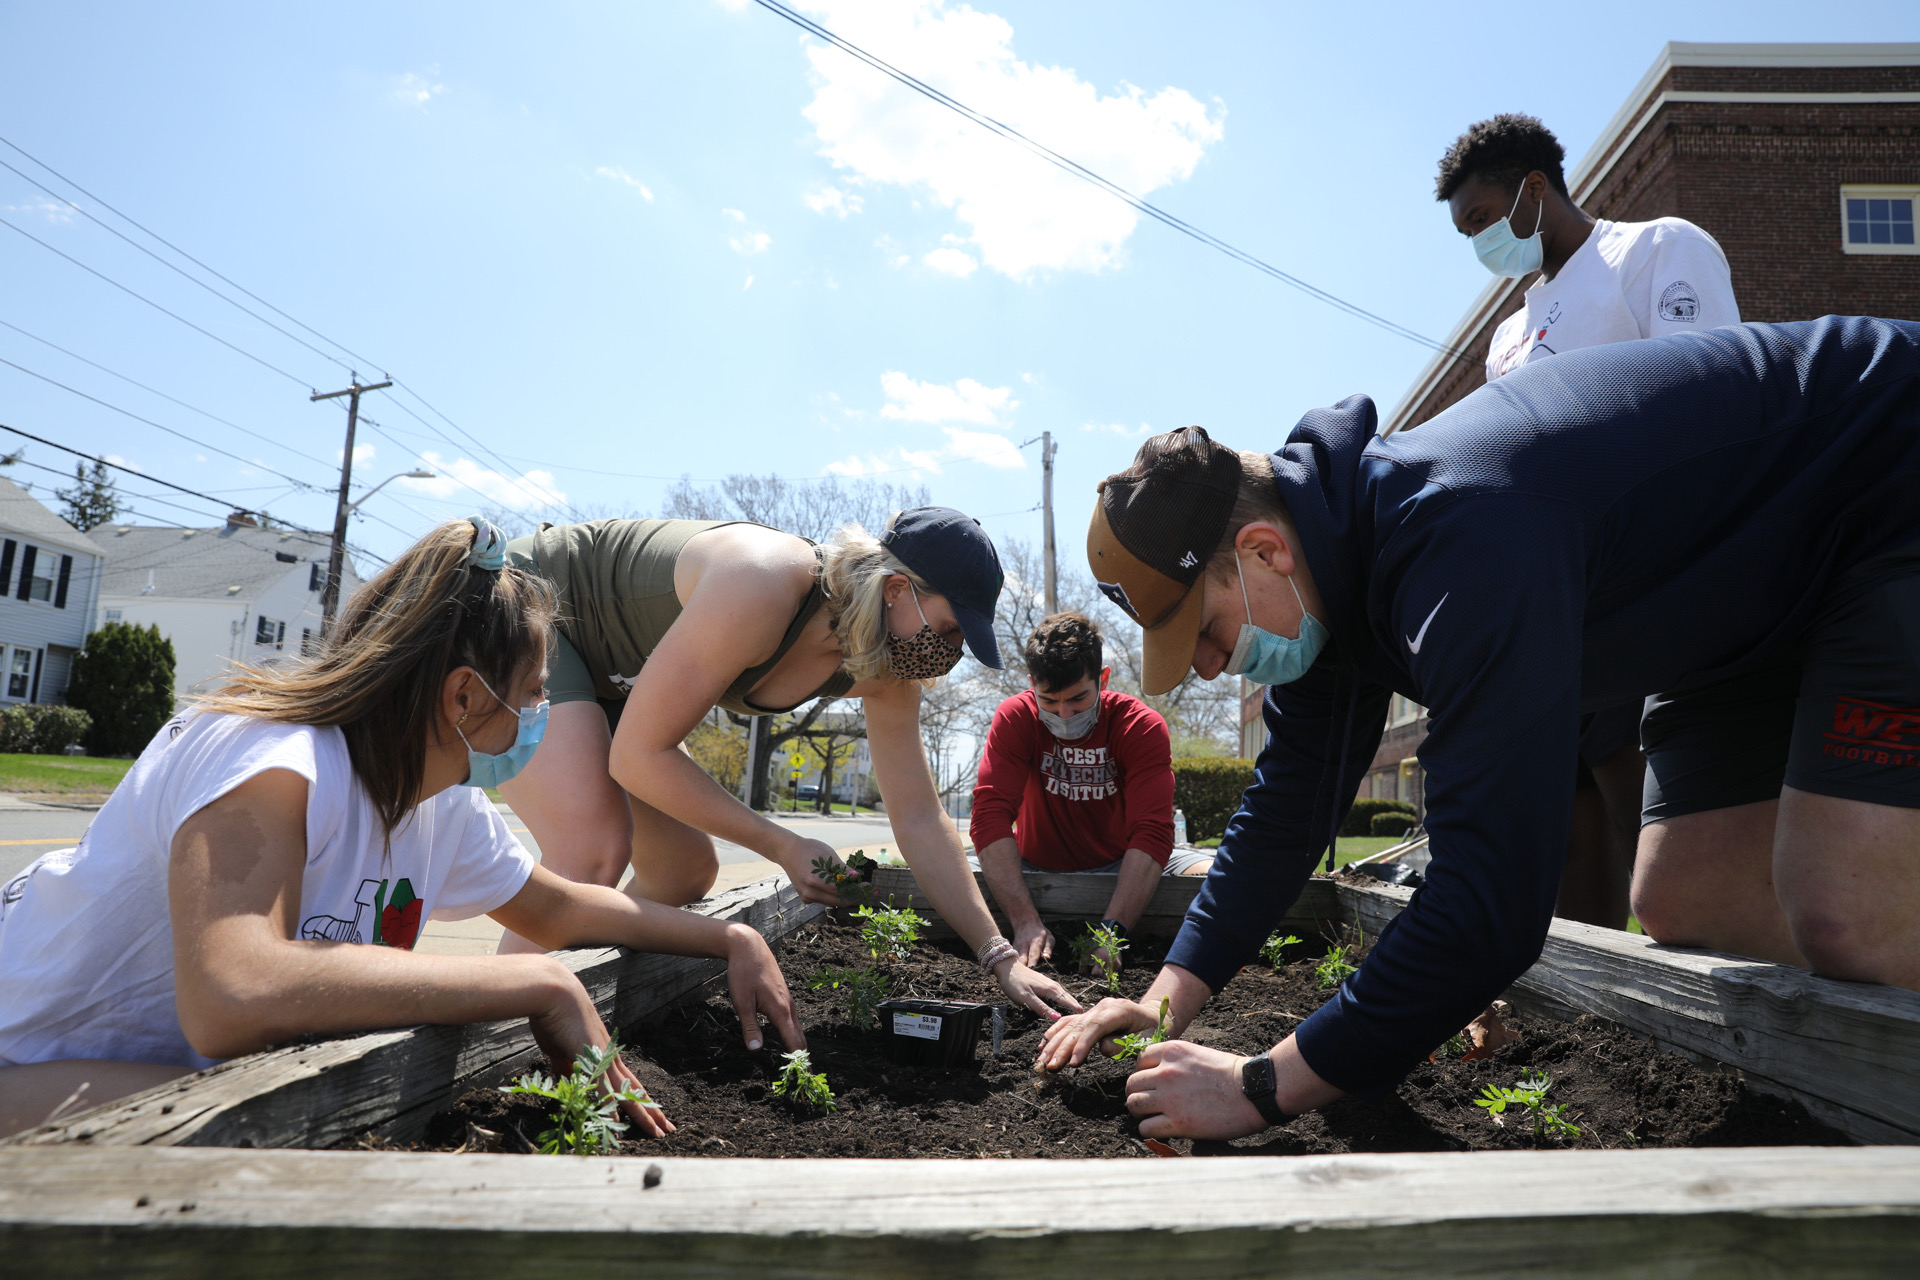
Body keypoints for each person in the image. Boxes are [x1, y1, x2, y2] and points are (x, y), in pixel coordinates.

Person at [1042, 316, 1920, 1141]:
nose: (1203, 666)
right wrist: (1161, 1005)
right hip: (1745, 614)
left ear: (1264, 551)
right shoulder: (1330, 596)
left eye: (1203, 628)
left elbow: (1491, 903)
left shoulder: (1465, 534)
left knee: (1847, 914)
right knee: (1687, 900)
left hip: (1885, 483)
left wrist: (1260, 1085)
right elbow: (1284, 817)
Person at [0, 519, 801, 1139]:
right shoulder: (270, 756)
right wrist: (540, 982)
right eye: (530, 692)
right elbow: (234, 995)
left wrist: (729, 940)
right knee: (277, 1153)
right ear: (462, 697)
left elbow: (556, 909)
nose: (541, 718)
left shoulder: (436, 798)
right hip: (27, 1060)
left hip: (170, 1075)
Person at [493, 508, 1079, 1019]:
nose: (947, 654)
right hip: (527, 606)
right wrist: (784, 844)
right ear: (898, 589)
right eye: (949, 629)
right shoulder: (763, 581)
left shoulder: (886, 673)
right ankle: (489, 1028)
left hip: (613, 677)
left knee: (681, 871)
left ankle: (595, 987)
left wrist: (998, 957)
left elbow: (922, 820)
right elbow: (640, 757)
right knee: (591, 847)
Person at [1436, 112, 1743, 927]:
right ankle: (1588, 1013)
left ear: (1534, 190)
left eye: (1481, 220)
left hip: (1644, 583)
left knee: (1637, 803)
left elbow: (1710, 402)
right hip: (1549, 603)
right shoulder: (1509, 333)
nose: (1478, 246)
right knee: (1566, 818)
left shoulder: (1654, 251)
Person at [969, 612, 1204, 971]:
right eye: (1048, 700)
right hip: (1032, 864)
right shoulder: (1015, 717)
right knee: (954, 877)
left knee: (1217, 874)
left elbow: (1153, 831)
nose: (1064, 714)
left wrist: (1113, 932)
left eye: (1078, 699)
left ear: (1103, 679)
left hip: (1123, 863)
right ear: (1032, 683)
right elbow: (989, 817)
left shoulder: (1139, 726)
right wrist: (1024, 921)